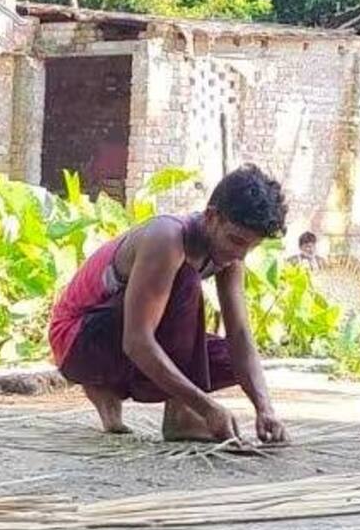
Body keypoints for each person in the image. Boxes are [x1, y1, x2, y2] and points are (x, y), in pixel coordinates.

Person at [48, 163, 290, 445]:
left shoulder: (231, 257)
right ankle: (177, 414)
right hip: (78, 341)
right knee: (185, 281)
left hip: (121, 343)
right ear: (212, 217)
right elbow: (137, 341)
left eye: (250, 247)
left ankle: (109, 389)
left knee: (231, 357)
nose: (239, 255)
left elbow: (240, 335)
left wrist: (265, 409)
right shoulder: (167, 237)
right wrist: (205, 407)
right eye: (235, 240)